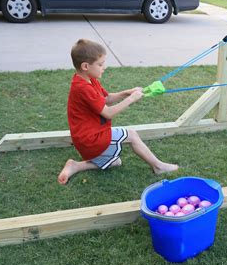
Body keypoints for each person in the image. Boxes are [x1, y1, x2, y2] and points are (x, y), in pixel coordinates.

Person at [58, 39, 178, 185]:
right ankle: (158, 166)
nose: (104, 67)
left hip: (91, 134)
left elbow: (106, 98)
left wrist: (128, 92)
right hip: (90, 139)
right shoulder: (83, 88)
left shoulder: (88, 79)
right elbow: (107, 113)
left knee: (116, 162)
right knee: (132, 135)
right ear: (85, 66)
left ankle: (76, 165)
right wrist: (131, 99)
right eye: (100, 64)